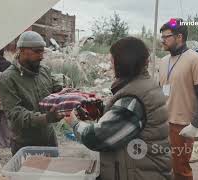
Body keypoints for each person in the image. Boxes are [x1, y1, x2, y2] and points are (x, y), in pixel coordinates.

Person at [65, 37, 172, 180]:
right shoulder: (144, 84)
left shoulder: (133, 99)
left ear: (123, 63)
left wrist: (74, 123)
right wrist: (102, 110)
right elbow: (123, 118)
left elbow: (98, 137)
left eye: (112, 61)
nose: (111, 66)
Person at [159, 18, 198, 180]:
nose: (162, 40)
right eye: (162, 37)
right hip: (163, 123)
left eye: (166, 37)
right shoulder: (163, 61)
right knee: (164, 166)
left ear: (179, 37)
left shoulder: (196, 60)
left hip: (182, 126)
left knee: (181, 169)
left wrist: (195, 125)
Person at [0, 31, 64, 155]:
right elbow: (15, 114)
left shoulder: (44, 70)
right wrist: (46, 118)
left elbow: (57, 88)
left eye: (42, 51)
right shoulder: (7, 78)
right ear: (22, 50)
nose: (41, 56)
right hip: (25, 144)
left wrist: (70, 96)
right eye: (37, 51)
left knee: (51, 173)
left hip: (49, 139)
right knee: (30, 174)